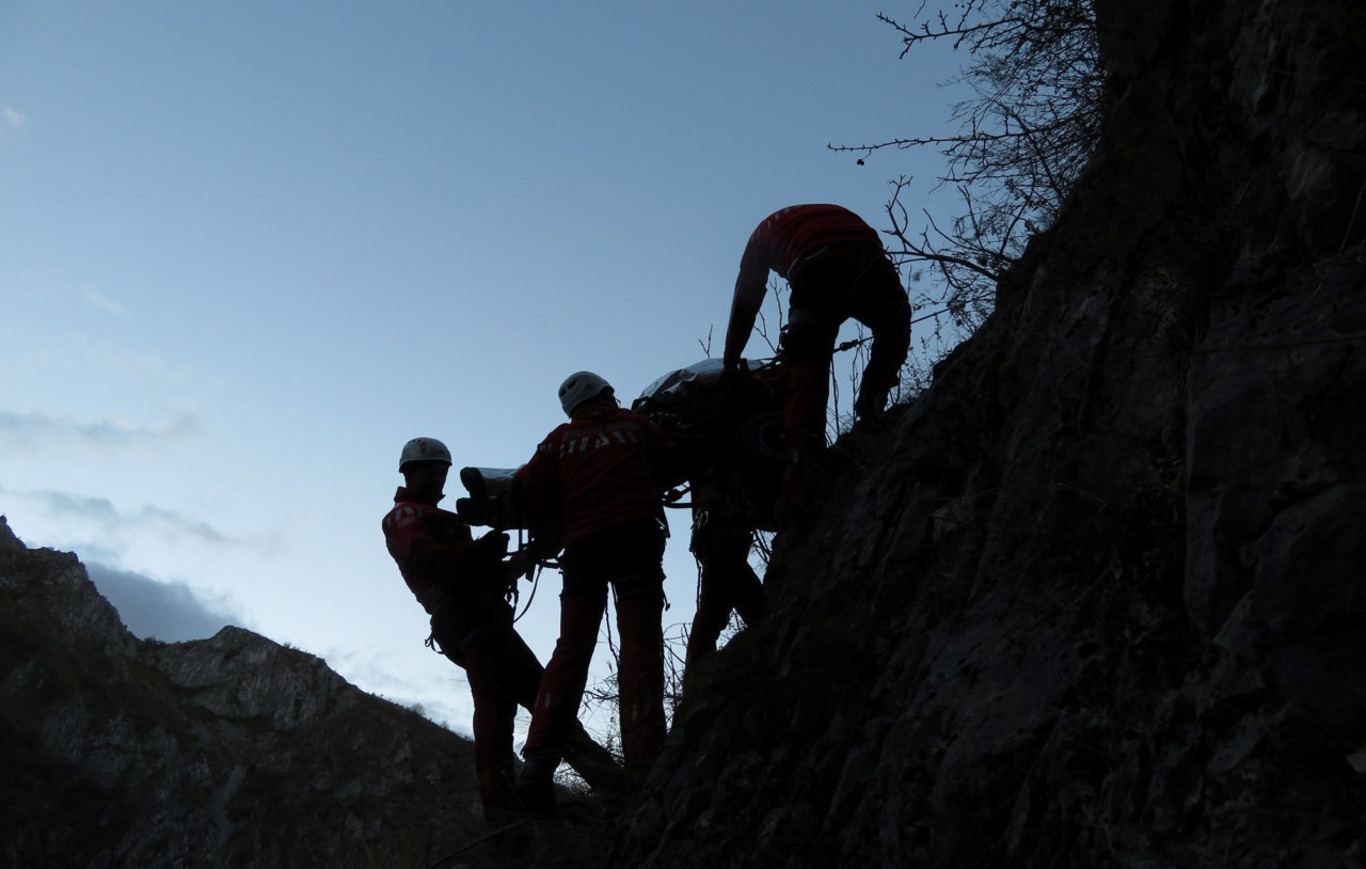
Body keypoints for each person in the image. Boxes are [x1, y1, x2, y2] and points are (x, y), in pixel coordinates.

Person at [382, 437, 624, 820]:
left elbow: (473, 568)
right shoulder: (405, 516)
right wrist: (482, 551)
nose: (440, 479)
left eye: (443, 472)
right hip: (467, 619)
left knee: (519, 706)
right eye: (433, 472)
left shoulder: (435, 517)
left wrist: (526, 556)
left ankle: (519, 816)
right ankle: (602, 787)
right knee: (530, 703)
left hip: (479, 618)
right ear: (411, 472)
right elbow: (425, 559)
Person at [512, 372, 685, 812]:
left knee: (571, 649)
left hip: (583, 549)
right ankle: (646, 762)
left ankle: (537, 764)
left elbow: (526, 487)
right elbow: (671, 463)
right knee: (640, 645)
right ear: (606, 393)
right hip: (635, 540)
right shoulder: (635, 425)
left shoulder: (558, 440)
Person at [722, 204, 912, 503]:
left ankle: (803, 480)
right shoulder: (828, 212)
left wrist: (730, 363)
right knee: (894, 327)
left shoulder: (760, 237)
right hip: (871, 262)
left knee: (806, 376)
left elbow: (746, 301)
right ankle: (872, 405)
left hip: (817, 270)